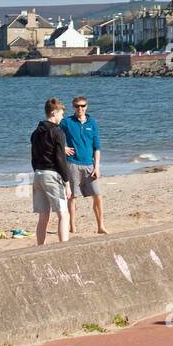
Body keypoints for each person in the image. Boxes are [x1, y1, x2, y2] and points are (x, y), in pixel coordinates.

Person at [30, 98, 74, 245]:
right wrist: (67, 183)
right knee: (63, 214)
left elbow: (34, 157)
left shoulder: (36, 132)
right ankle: (64, 246)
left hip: (38, 174)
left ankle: (40, 247)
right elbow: (60, 159)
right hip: (52, 174)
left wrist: (37, 171)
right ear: (54, 112)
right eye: (61, 114)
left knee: (43, 215)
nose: (62, 117)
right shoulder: (57, 132)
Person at [59, 95, 106, 234]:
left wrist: (97, 167)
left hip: (89, 165)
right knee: (72, 197)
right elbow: (52, 134)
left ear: (86, 106)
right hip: (72, 164)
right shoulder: (66, 122)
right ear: (73, 107)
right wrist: (62, 148)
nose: (80, 108)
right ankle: (72, 227)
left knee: (98, 195)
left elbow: (97, 147)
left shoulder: (93, 123)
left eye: (82, 105)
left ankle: (100, 226)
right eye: (77, 106)